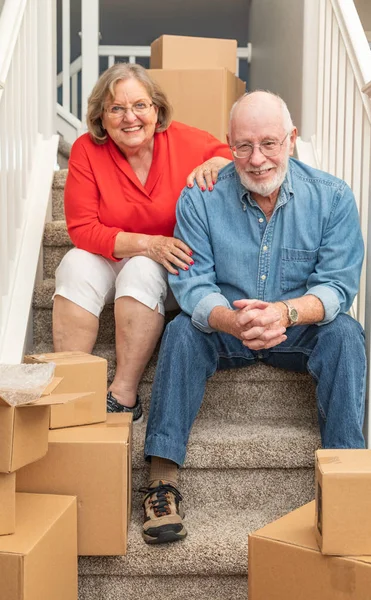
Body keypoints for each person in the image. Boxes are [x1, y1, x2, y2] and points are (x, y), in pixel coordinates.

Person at [141, 91, 366, 545]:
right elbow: (192, 283)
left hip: (297, 329)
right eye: (243, 145)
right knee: (181, 330)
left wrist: (285, 312)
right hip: (228, 328)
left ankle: (347, 480)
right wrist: (230, 320)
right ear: (228, 144)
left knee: (345, 334)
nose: (257, 159)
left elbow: (338, 285)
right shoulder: (201, 198)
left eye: (269, 143)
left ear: (292, 139)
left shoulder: (332, 197)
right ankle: (161, 484)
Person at [52, 63, 232, 421]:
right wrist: (147, 243)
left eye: (139, 105)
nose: (129, 117)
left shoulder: (183, 140)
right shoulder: (87, 150)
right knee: (73, 263)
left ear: (156, 110)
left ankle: (123, 394)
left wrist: (217, 161)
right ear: (101, 117)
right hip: (117, 251)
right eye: (116, 108)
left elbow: (232, 154)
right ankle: (72, 390)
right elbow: (82, 228)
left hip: (164, 266)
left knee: (140, 270)